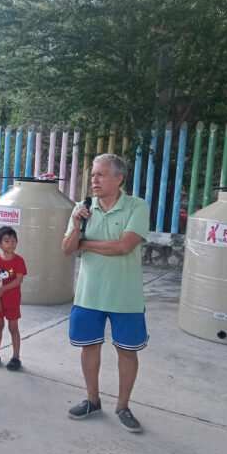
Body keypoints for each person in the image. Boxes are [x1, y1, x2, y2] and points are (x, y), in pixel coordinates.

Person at [61, 154, 149, 433]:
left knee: (127, 351)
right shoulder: (82, 207)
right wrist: (76, 227)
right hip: (89, 295)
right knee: (89, 347)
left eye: (100, 175)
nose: (94, 180)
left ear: (119, 178)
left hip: (126, 297)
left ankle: (123, 406)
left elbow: (124, 246)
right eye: (93, 175)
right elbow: (66, 248)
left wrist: (85, 244)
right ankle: (92, 399)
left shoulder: (137, 206)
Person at [0, 226, 27, 371]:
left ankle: (16, 357)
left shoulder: (19, 261)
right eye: (7, 241)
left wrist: (1, 291)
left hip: (12, 301)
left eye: (13, 241)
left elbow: (18, 280)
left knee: (13, 327)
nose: (11, 243)